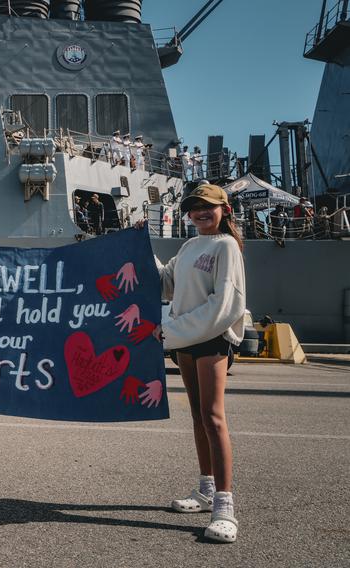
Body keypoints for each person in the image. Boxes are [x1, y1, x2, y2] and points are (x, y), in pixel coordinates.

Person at [146, 184, 246, 543]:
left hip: (211, 338)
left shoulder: (226, 246)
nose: (200, 212)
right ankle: (205, 489)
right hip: (185, 340)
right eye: (194, 207)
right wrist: (143, 247)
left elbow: (226, 305)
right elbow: (166, 284)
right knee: (198, 418)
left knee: (214, 417)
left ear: (224, 209)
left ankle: (224, 507)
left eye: (208, 206)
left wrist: (170, 330)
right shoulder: (189, 247)